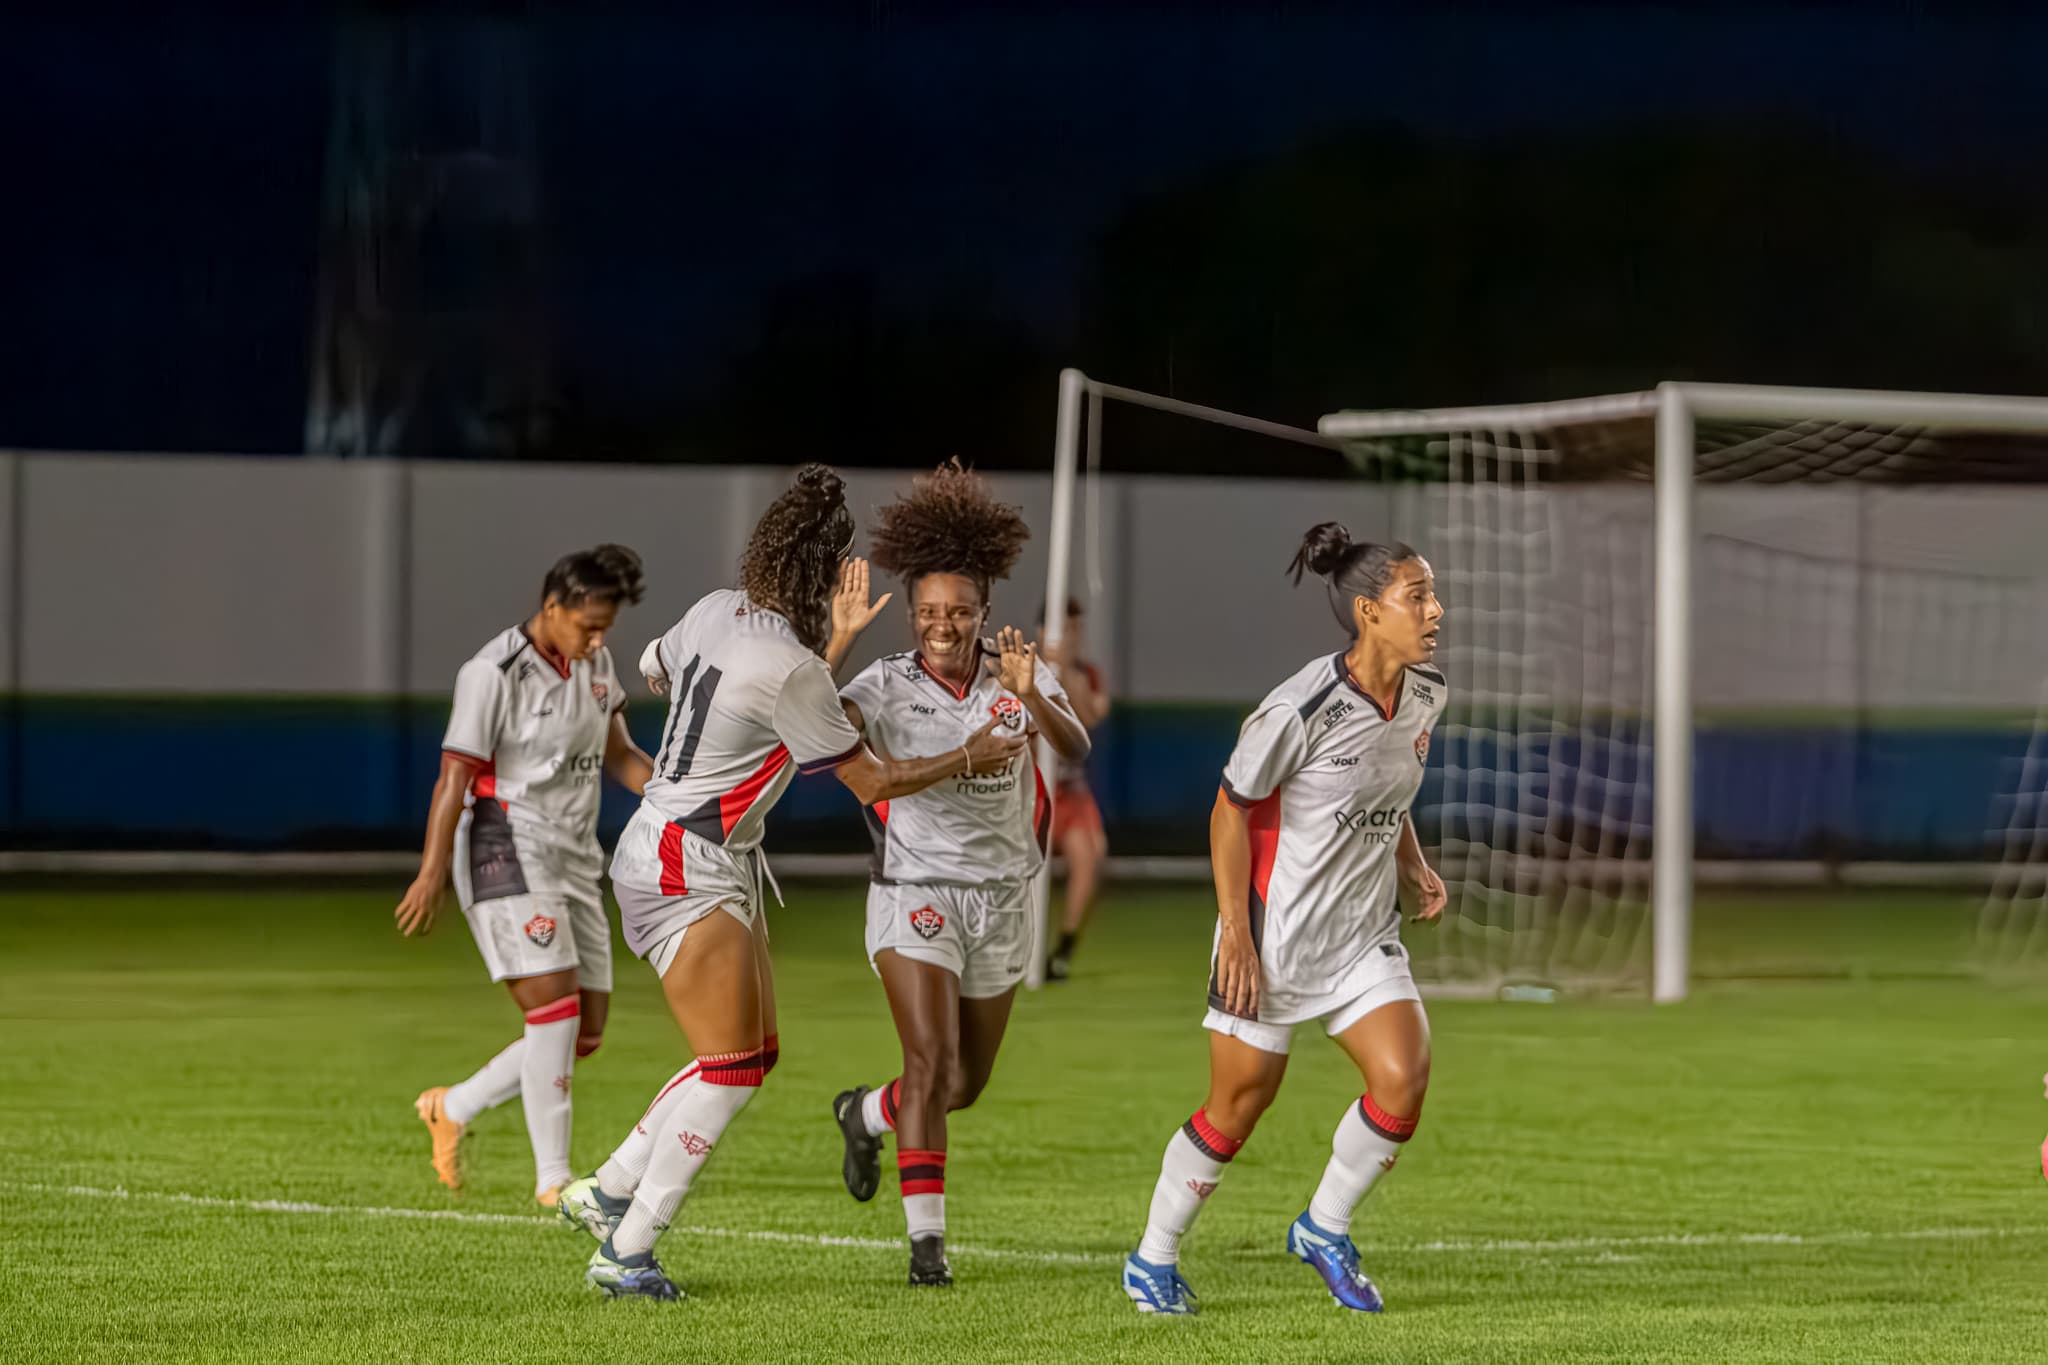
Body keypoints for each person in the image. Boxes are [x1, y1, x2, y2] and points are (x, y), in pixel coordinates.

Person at [551, 464, 1026, 1301]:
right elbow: (871, 780)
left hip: (694, 848)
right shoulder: (792, 665)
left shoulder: (714, 609)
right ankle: (626, 1246)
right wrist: (969, 755)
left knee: (752, 1054)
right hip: (685, 857)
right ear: (819, 573)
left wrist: (828, 644)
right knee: (729, 1064)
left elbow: (666, 673)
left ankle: (612, 1187)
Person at [1119, 523, 1449, 1316]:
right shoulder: (1299, 706)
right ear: (1369, 611)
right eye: (1419, 596)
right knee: (1237, 1106)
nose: (1436, 610)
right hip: (1272, 939)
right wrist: (1235, 928)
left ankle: (1323, 1227)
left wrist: (1413, 863)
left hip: (1362, 935)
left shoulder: (1428, 691)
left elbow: (1386, 789)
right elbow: (1230, 812)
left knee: (1403, 1077)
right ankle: (1151, 1257)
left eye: (1433, 595)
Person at [827, 460, 1092, 1288]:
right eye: (929, 612)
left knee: (961, 1085)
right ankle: (927, 1250)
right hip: (916, 891)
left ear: (984, 614)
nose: (943, 625)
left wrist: (1034, 698)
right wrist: (833, 643)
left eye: (959, 612)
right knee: (932, 1058)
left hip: (1003, 898)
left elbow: (1076, 746)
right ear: (910, 615)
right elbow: (816, 726)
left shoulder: (1015, 673)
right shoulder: (885, 683)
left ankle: (862, 1112)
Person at [396, 545, 653, 1208]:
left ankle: (452, 1105)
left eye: (606, 627)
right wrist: (430, 873)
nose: (597, 638)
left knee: (582, 1031)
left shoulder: (595, 663)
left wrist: (678, 800)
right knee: (554, 1009)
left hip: (574, 852)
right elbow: (454, 777)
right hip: (504, 842)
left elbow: (620, 754)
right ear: (552, 607)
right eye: (587, 624)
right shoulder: (492, 672)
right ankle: (554, 1182)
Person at [1039, 596, 1110, 982]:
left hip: (1073, 793)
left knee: (1091, 854)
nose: (1071, 637)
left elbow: (1090, 718)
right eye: (1064, 629)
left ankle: (1063, 948)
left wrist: (1065, 671)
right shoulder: (1024, 667)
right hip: (1032, 792)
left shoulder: (1086, 674)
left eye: (1075, 631)